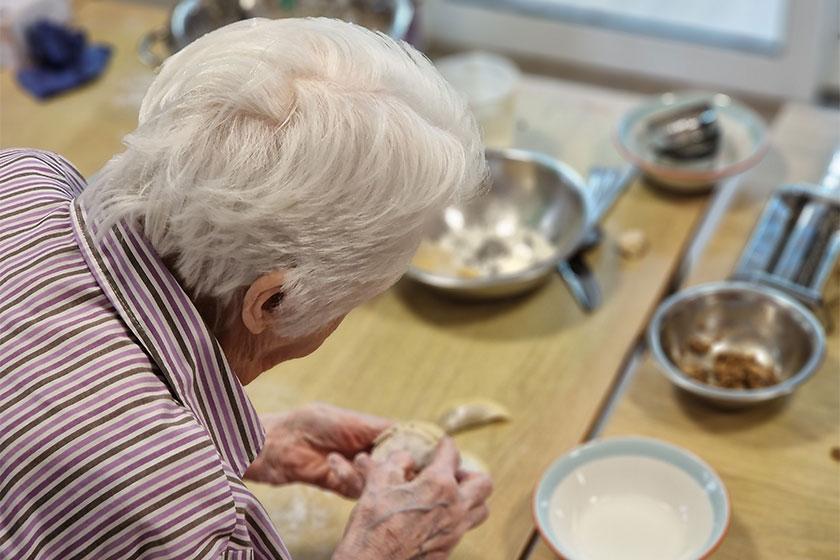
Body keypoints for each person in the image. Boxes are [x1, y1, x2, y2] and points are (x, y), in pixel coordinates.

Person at [0, 17, 491, 559]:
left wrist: (244, 443)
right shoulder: (185, 521)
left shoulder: (25, 176)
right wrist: (381, 548)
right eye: (356, 299)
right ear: (270, 302)